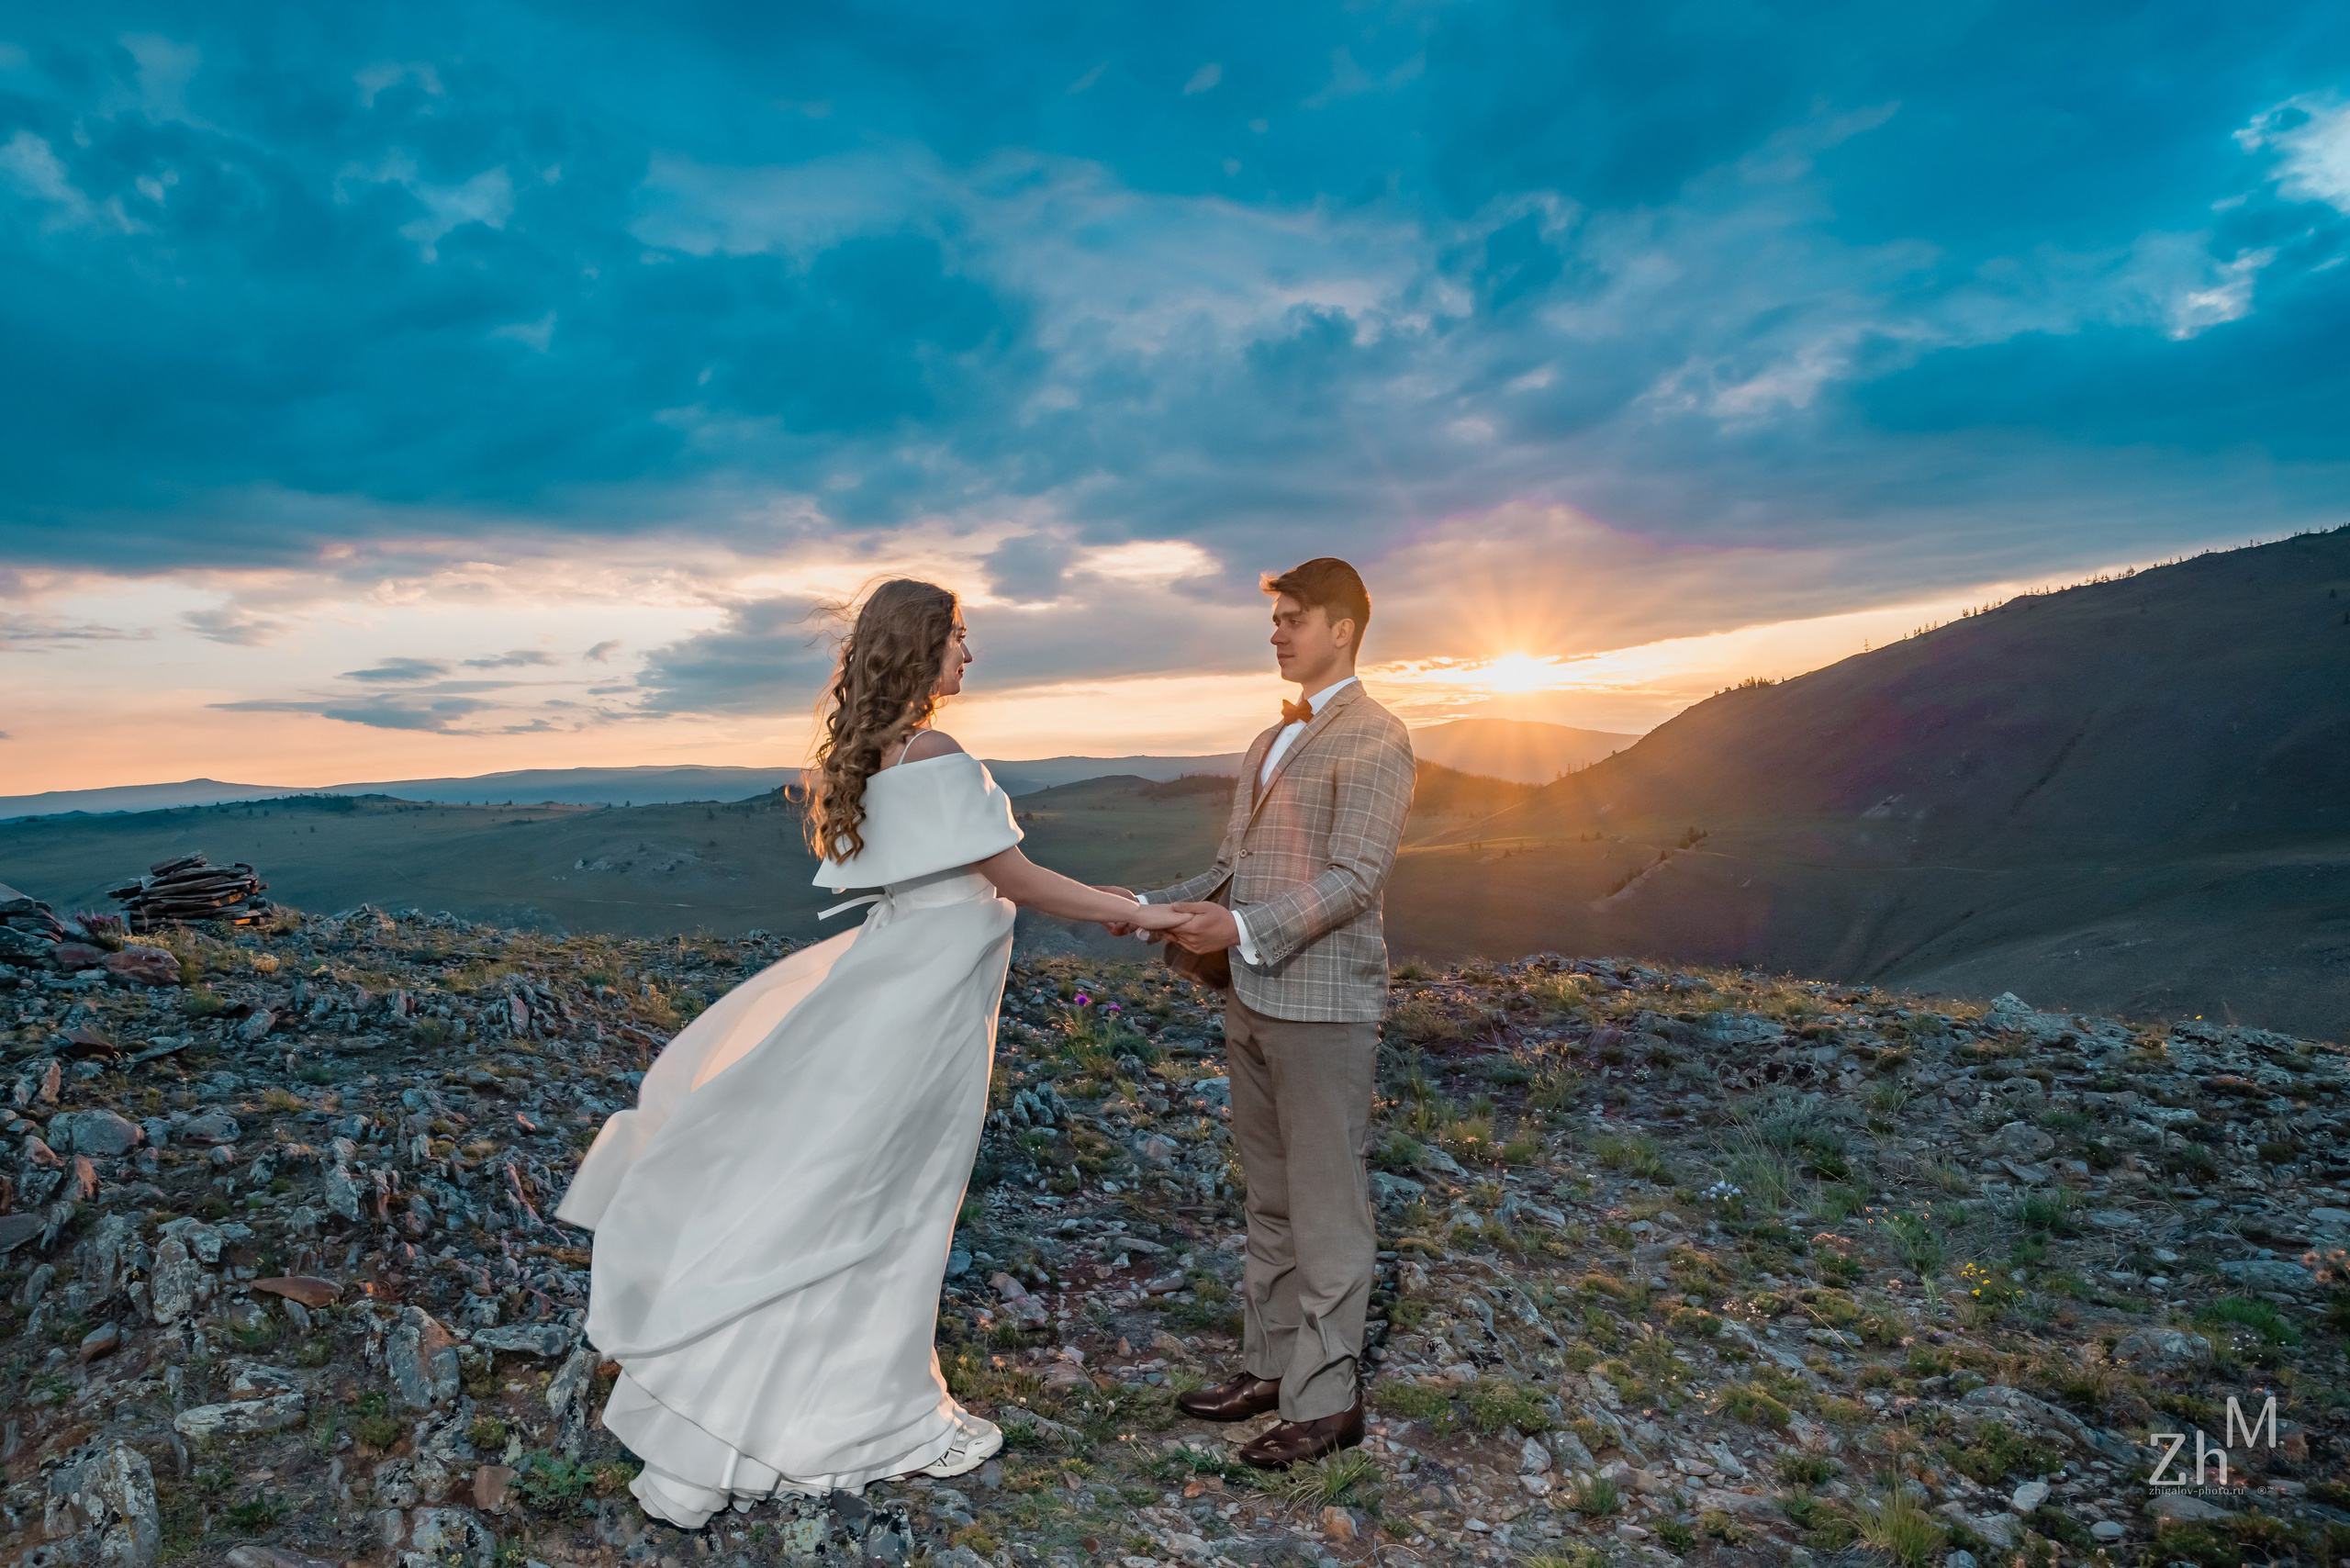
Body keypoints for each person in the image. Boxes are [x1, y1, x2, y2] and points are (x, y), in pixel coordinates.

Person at [555, 577, 1192, 1529]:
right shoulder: (934, 748)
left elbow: (969, 870)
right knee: (897, 1204)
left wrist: (1097, 894)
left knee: (853, 1200)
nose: (968, 656)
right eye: (959, 640)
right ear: (921, 645)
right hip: (923, 1012)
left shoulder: (886, 753)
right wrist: (1133, 910)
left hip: (906, 989)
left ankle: (757, 1414)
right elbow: (1007, 872)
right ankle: (870, 1414)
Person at [1105, 556, 1416, 1468]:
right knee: (1271, 1197)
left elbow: (1357, 879)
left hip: (1321, 1008)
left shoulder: (1377, 735)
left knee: (1326, 1205)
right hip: (1252, 991)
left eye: (1292, 619)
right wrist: (1153, 908)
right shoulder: (1269, 738)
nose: (1275, 633)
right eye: (1273, 619)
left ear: (1343, 628)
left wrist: (1238, 925)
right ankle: (1270, 1365)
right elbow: (1234, 865)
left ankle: (1326, 1402)